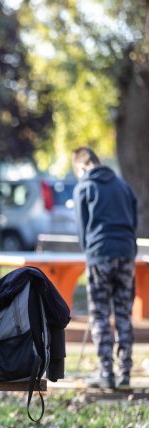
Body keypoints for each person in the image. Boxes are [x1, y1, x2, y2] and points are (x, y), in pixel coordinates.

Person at [72, 147, 138, 390]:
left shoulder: (85, 187)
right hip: (126, 253)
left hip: (100, 253)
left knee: (99, 313)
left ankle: (106, 372)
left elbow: (82, 229)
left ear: (81, 167)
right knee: (123, 312)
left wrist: (89, 250)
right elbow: (134, 220)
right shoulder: (123, 186)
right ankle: (126, 372)